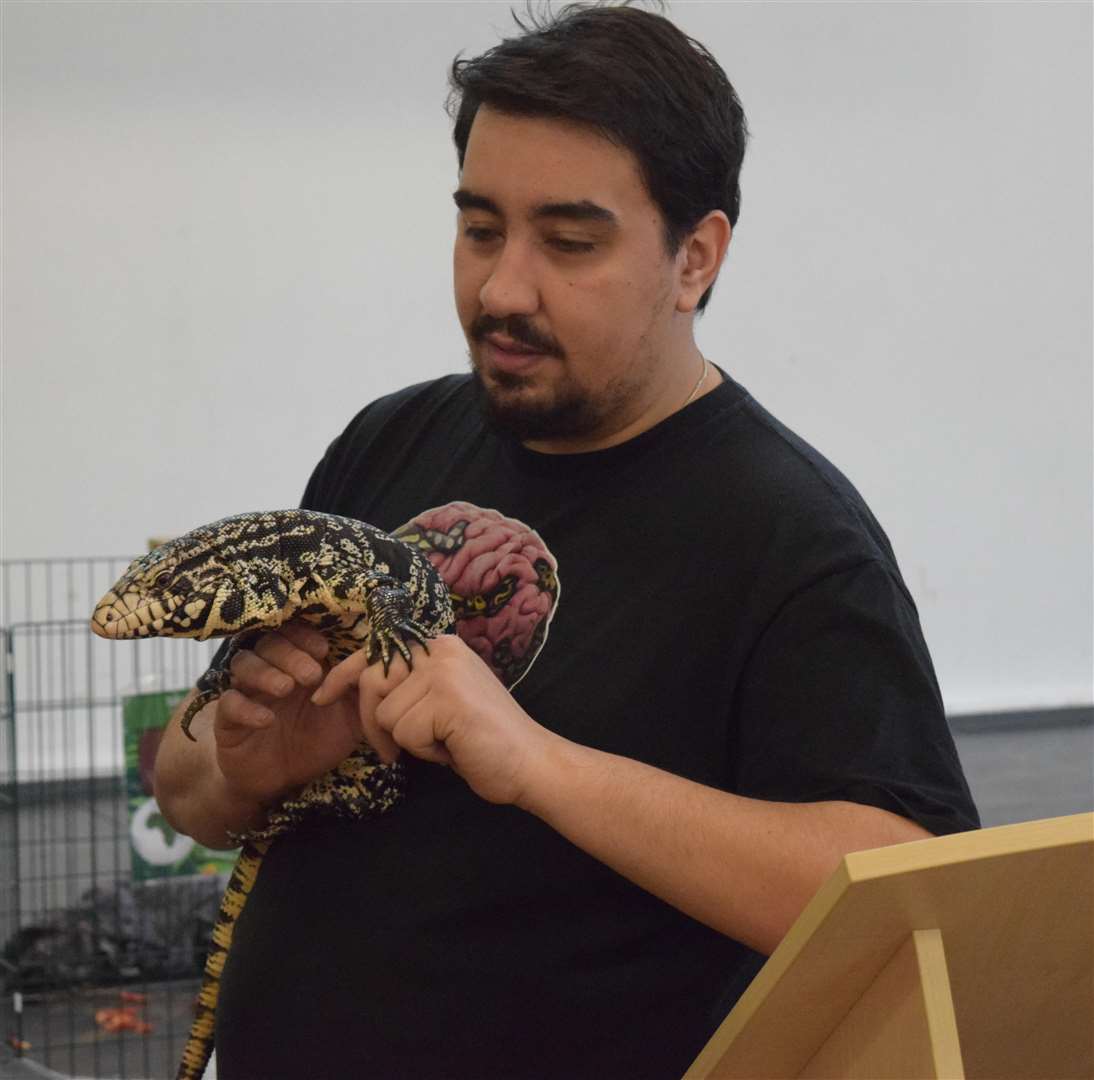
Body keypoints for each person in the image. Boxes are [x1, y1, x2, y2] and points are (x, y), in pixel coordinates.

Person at [153, 3, 979, 1077]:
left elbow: (907, 890)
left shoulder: (788, 534)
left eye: (568, 242)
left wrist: (539, 765)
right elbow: (186, 786)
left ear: (694, 259)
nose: (500, 290)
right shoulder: (388, 440)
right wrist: (248, 769)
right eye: (480, 227)